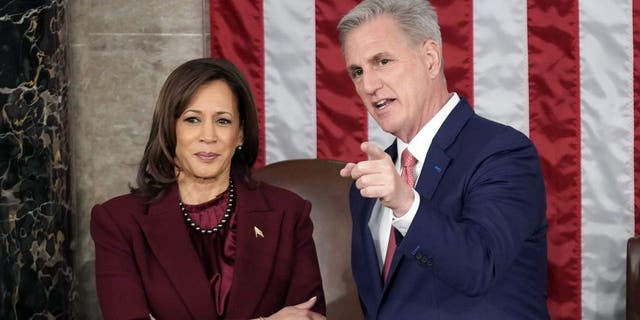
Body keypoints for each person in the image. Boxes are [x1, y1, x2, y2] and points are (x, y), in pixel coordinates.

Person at [337, 0, 549, 319]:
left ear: (431, 59)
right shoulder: (367, 188)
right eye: (357, 71)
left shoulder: (503, 153)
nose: (368, 85)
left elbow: (479, 265)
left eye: (382, 61)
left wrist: (406, 204)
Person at [90, 58, 326, 320]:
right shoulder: (118, 222)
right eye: (192, 119)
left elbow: (308, 318)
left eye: (223, 121)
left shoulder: (289, 213)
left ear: (240, 134)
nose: (208, 135)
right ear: (169, 128)